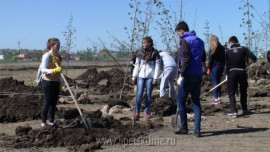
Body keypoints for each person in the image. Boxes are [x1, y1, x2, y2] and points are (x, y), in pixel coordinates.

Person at [174, 21, 205, 138]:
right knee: (196, 102)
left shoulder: (184, 41)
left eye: (178, 33)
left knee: (180, 100)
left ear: (181, 31)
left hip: (188, 74)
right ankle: (197, 131)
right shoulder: (200, 41)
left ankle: (184, 127)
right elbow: (203, 57)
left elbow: (186, 58)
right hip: (198, 74)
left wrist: (182, 74)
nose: (178, 36)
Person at [226, 36, 257, 118]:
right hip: (242, 71)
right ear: (237, 41)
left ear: (231, 42)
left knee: (231, 92)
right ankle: (245, 109)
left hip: (232, 72)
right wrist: (248, 64)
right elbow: (254, 57)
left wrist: (226, 75)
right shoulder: (243, 49)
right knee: (243, 91)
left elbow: (227, 65)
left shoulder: (228, 51)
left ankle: (233, 111)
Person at [132, 36, 161, 120]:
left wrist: (155, 78)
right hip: (141, 76)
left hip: (150, 76)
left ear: (150, 43)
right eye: (143, 43)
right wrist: (134, 75)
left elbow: (157, 66)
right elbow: (137, 65)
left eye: (145, 43)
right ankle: (136, 112)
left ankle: (146, 112)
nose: (143, 44)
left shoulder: (155, 53)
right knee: (139, 94)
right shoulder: (139, 52)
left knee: (148, 94)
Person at [40, 38, 63, 127]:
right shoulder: (47, 56)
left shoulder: (58, 56)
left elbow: (60, 71)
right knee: (48, 102)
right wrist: (54, 70)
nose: (59, 47)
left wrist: (60, 82)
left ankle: (51, 121)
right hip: (47, 82)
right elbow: (43, 70)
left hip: (56, 82)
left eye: (59, 45)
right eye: (57, 45)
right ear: (51, 46)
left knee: (54, 103)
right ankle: (43, 122)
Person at [207, 35, 225, 104]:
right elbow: (224, 58)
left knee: (215, 82)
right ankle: (219, 98)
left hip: (215, 67)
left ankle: (216, 98)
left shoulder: (212, 48)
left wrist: (209, 68)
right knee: (218, 82)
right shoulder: (222, 48)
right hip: (221, 66)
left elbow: (210, 60)